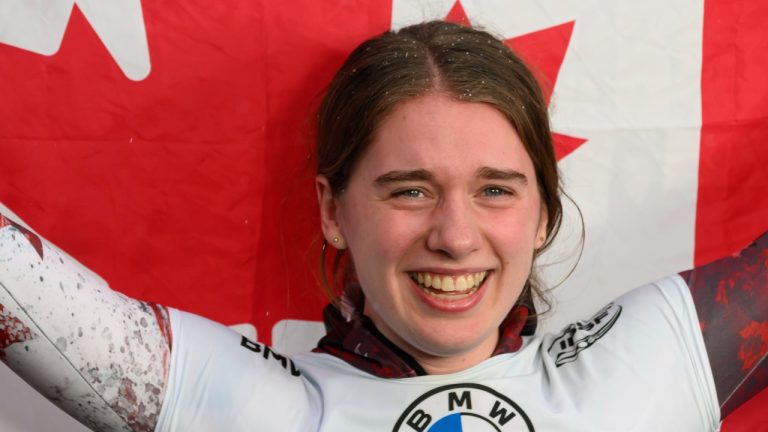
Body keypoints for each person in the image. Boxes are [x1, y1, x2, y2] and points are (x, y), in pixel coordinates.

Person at [0, 20, 766, 431]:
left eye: (495, 190)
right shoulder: (243, 405)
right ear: (333, 211)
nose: (456, 236)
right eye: (410, 191)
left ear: (543, 213)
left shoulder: (647, 369)